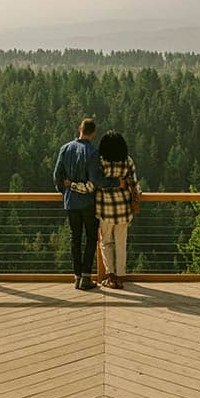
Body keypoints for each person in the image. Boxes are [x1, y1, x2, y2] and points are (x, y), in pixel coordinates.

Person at [53, 118, 122, 290]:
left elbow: (57, 176)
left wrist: (66, 192)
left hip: (71, 203)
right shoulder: (92, 152)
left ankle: (76, 277)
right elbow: (97, 180)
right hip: (88, 203)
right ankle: (85, 277)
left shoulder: (65, 148)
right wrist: (116, 183)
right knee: (91, 238)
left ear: (80, 129)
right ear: (93, 133)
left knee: (75, 239)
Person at [69, 130, 140, 290]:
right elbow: (134, 184)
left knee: (106, 243)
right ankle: (121, 278)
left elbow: (95, 183)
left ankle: (111, 277)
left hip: (105, 209)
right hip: (123, 209)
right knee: (121, 244)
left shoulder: (100, 162)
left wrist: (74, 186)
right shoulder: (128, 161)